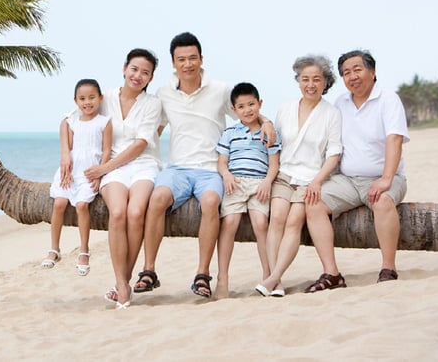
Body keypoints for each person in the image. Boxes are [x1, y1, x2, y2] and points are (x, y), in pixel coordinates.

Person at [133, 32, 276, 298]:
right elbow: (156, 129)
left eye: (192, 58)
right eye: (181, 59)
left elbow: (246, 112)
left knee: (210, 202)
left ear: (201, 59)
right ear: (173, 63)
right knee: (157, 198)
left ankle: (202, 274)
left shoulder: (220, 90)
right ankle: (149, 269)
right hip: (177, 168)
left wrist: (266, 122)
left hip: (211, 169)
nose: (187, 64)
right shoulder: (164, 93)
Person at [304, 49, 410, 292]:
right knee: (314, 203)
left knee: (382, 201)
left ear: (372, 72)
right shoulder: (340, 102)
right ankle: (332, 274)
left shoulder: (388, 99)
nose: (352, 76)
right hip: (348, 180)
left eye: (357, 69)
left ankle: (388, 268)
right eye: (346, 73)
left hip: (386, 177)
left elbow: (394, 140)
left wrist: (386, 179)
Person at [254, 55, 342, 297]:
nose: (310, 84)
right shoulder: (286, 109)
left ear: (326, 82)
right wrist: (266, 122)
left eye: (316, 79)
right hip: (284, 175)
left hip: (311, 179)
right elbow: (273, 139)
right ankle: (277, 282)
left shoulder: (331, 113)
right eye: (305, 79)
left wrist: (317, 181)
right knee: (277, 219)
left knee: (294, 222)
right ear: (298, 81)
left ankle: (272, 278)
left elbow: (334, 154)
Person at [83, 48, 162, 309]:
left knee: (136, 212)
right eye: (135, 69)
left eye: (145, 72)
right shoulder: (104, 98)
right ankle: (122, 283)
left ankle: (122, 285)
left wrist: (103, 169)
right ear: (125, 69)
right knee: (117, 212)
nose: (138, 75)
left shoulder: (152, 104)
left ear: (150, 78)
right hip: (113, 168)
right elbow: (76, 119)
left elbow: (141, 145)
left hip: (143, 165)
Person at [215, 82, 281, 299]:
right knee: (230, 223)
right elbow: (222, 162)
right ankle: (222, 279)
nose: (247, 110)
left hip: (259, 184)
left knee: (261, 224)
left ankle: (269, 275)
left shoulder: (269, 132)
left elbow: (274, 164)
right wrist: (226, 175)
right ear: (234, 110)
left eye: (251, 104)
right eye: (241, 106)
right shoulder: (230, 132)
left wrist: (267, 182)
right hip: (235, 183)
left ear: (260, 103)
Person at [42, 79, 112, 277]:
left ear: (100, 98)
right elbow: (68, 144)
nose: (87, 102)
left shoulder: (104, 122)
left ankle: (84, 251)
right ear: (75, 101)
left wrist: (100, 173)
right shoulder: (71, 122)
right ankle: (54, 249)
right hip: (71, 171)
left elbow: (107, 151)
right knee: (59, 204)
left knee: (82, 205)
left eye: (91, 97)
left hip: (90, 172)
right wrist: (65, 161)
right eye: (82, 99)